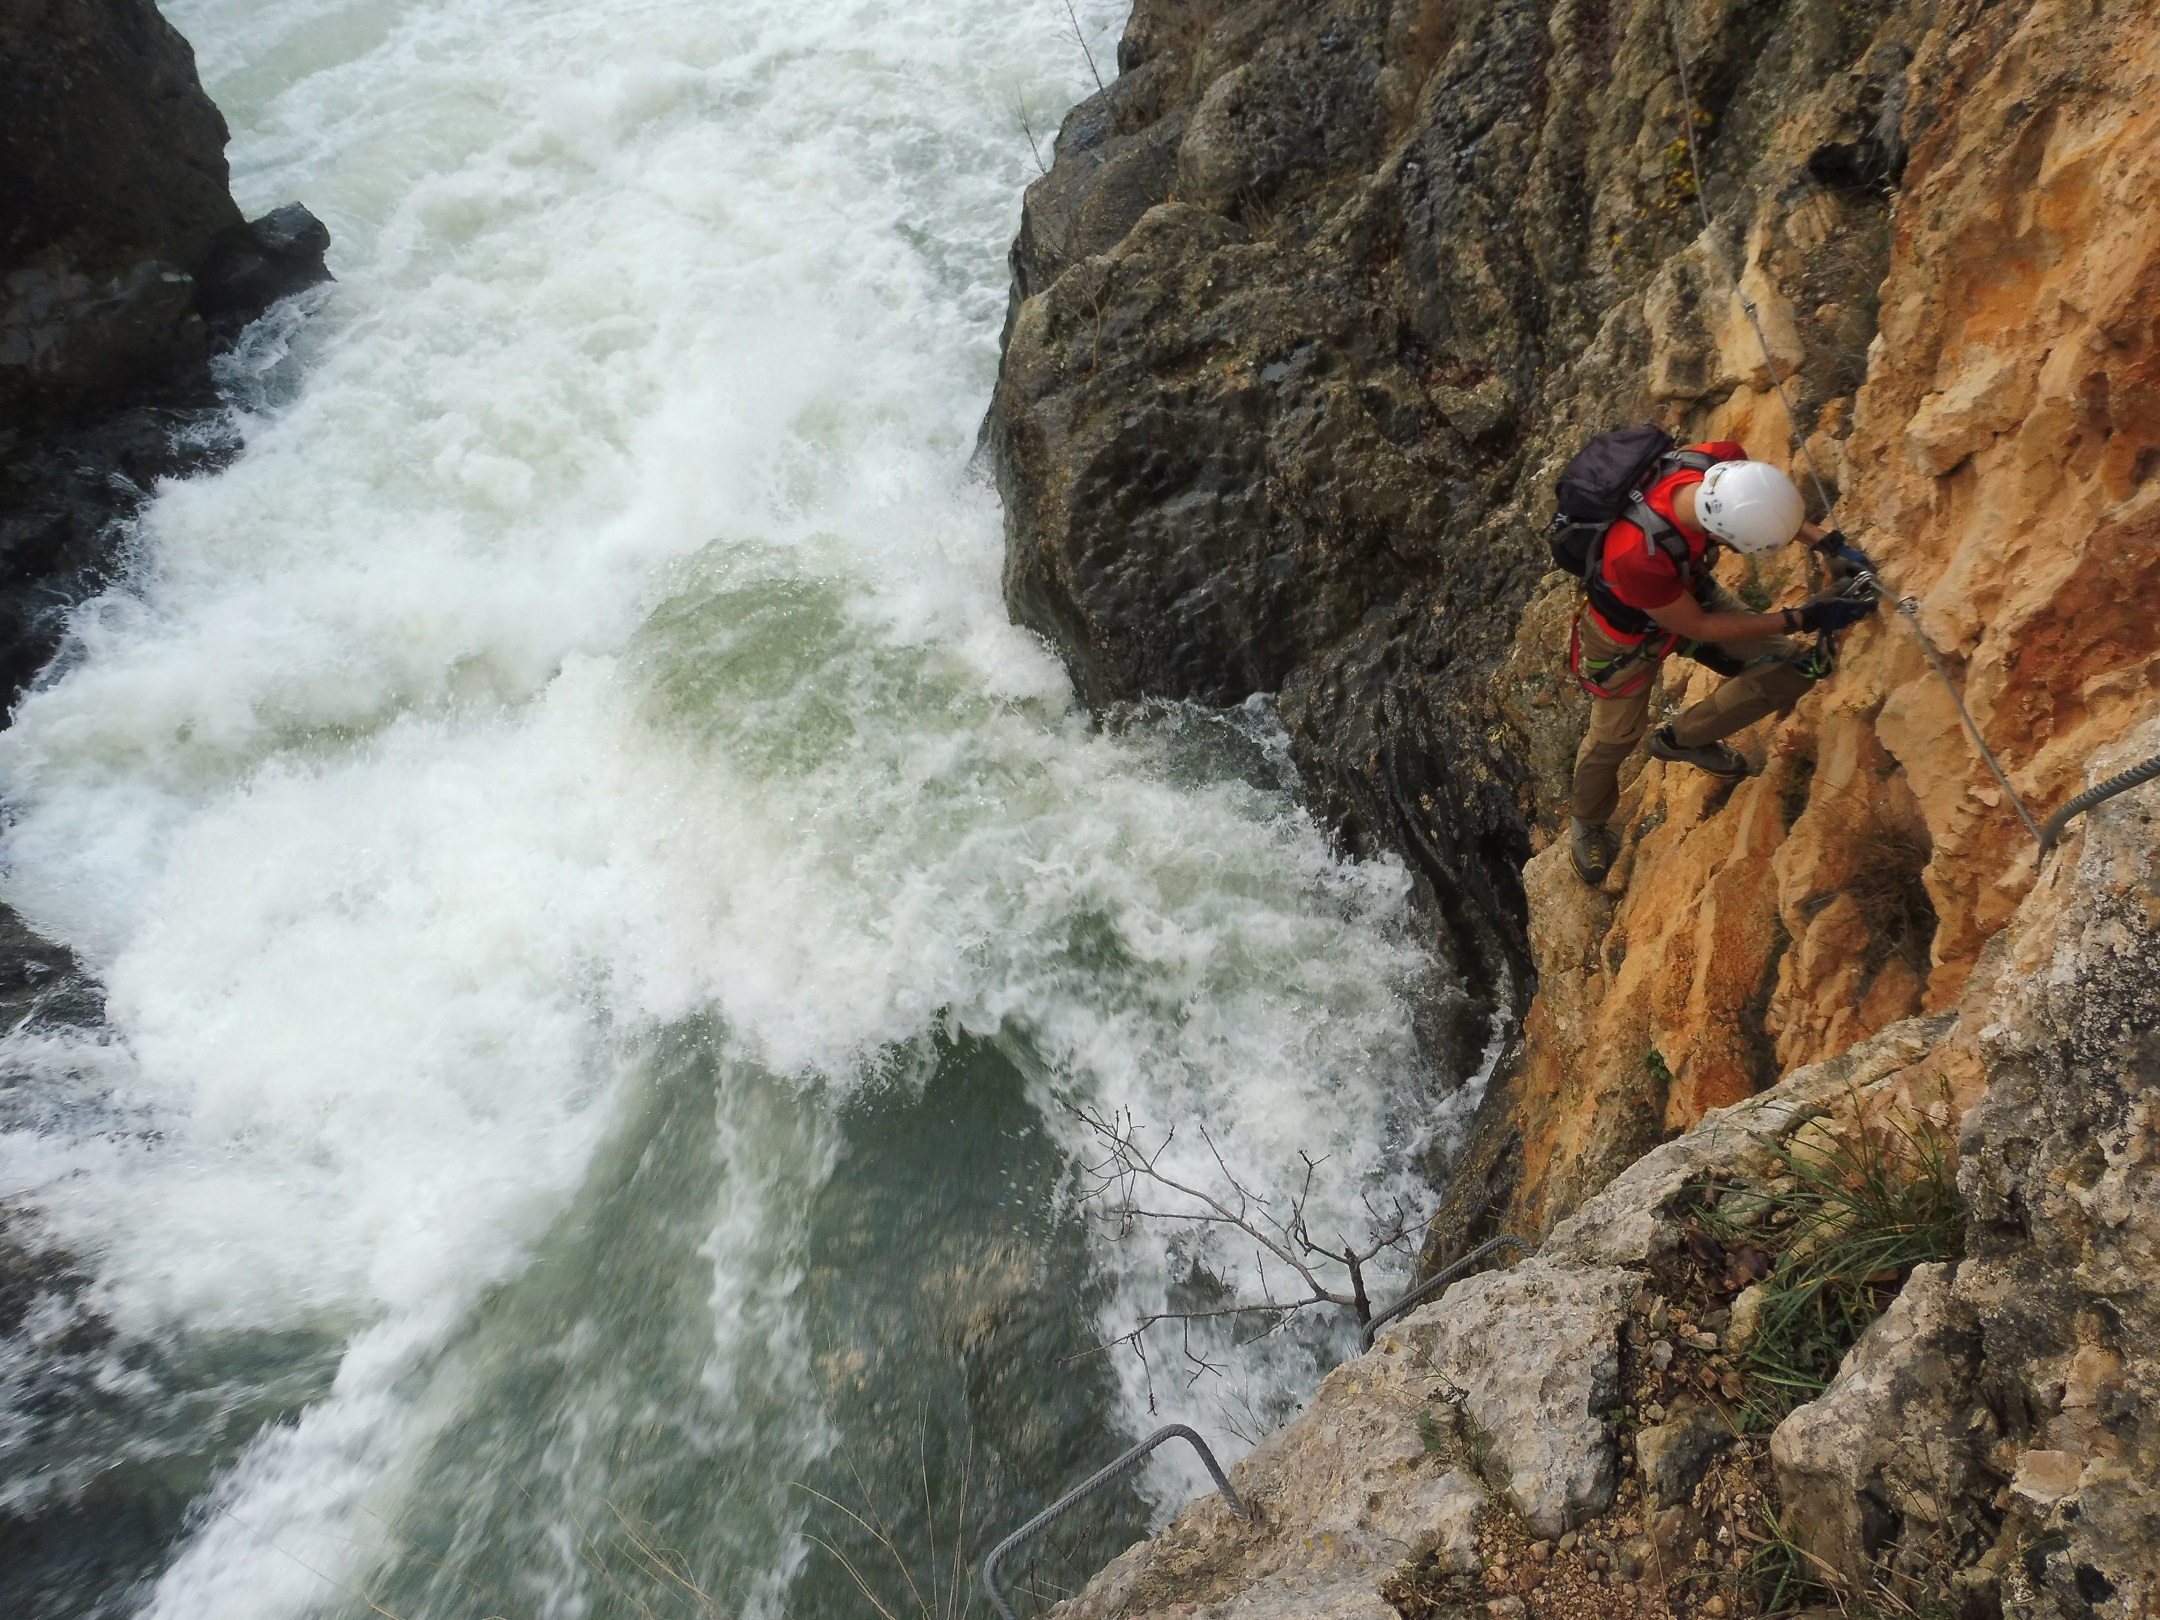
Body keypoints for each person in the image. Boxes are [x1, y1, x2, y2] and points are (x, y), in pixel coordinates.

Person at [1566, 441, 1876, 886]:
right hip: (1626, 641)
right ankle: (1587, 819)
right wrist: (1803, 616)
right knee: (1614, 737)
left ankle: (1682, 739)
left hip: (1688, 590)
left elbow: (1764, 507)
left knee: (1792, 668)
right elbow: (1700, 628)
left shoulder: (1718, 463)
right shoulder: (1635, 554)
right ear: (1719, 534)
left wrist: (1826, 543)